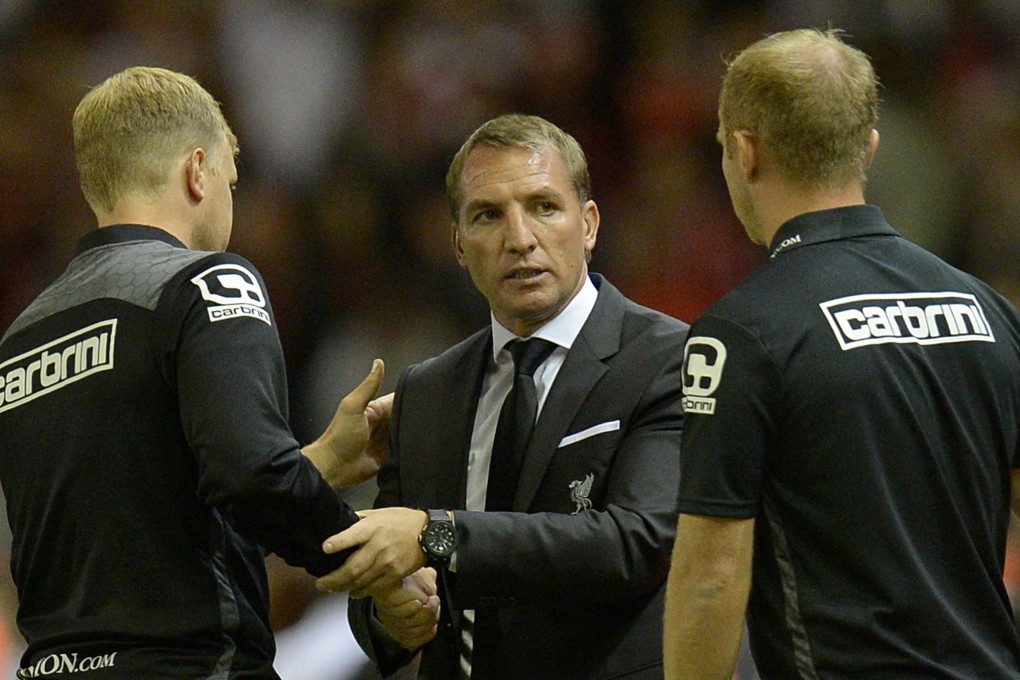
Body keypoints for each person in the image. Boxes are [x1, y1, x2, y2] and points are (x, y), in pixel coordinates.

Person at [0, 66, 398, 679]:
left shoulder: (21, 337)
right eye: (230, 182)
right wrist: (373, 560)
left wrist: (313, 463)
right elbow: (254, 477)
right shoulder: (207, 281)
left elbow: (149, 521)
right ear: (197, 172)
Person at [663, 28, 1020, 679]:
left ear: (745, 151)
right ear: (870, 150)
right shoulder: (989, 312)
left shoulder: (739, 335)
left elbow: (712, 572)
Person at [315, 113, 689, 679]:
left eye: (543, 206)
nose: (519, 239)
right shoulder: (426, 392)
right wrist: (392, 614)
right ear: (459, 245)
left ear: (588, 225)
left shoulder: (667, 358)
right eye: (488, 215)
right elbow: (381, 597)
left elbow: (635, 544)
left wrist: (436, 534)